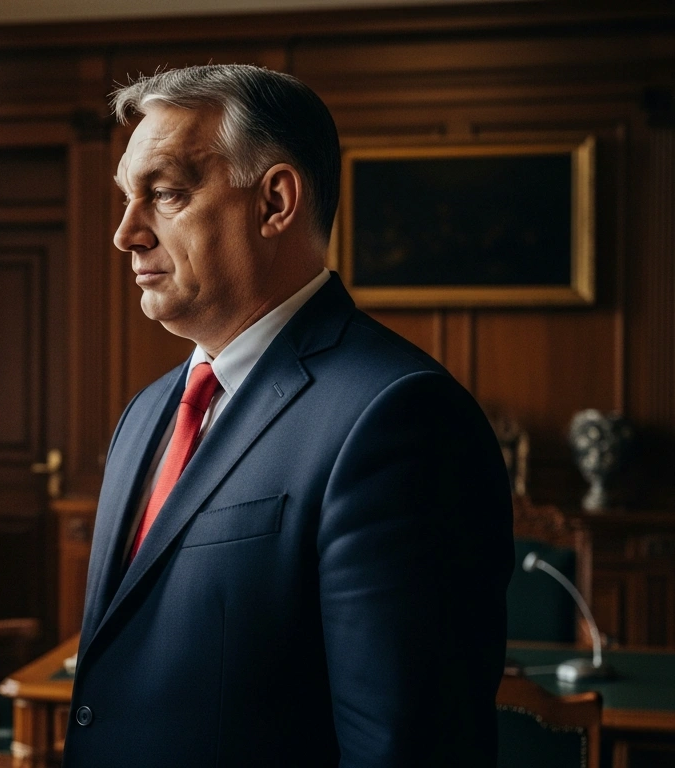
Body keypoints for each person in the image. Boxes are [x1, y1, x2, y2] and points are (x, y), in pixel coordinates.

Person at [64, 65, 513, 767]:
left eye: (166, 194)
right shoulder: (146, 412)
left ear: (274, 201)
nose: (126, 234)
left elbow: (406, 749)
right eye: (126, 199)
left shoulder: (401, 417)